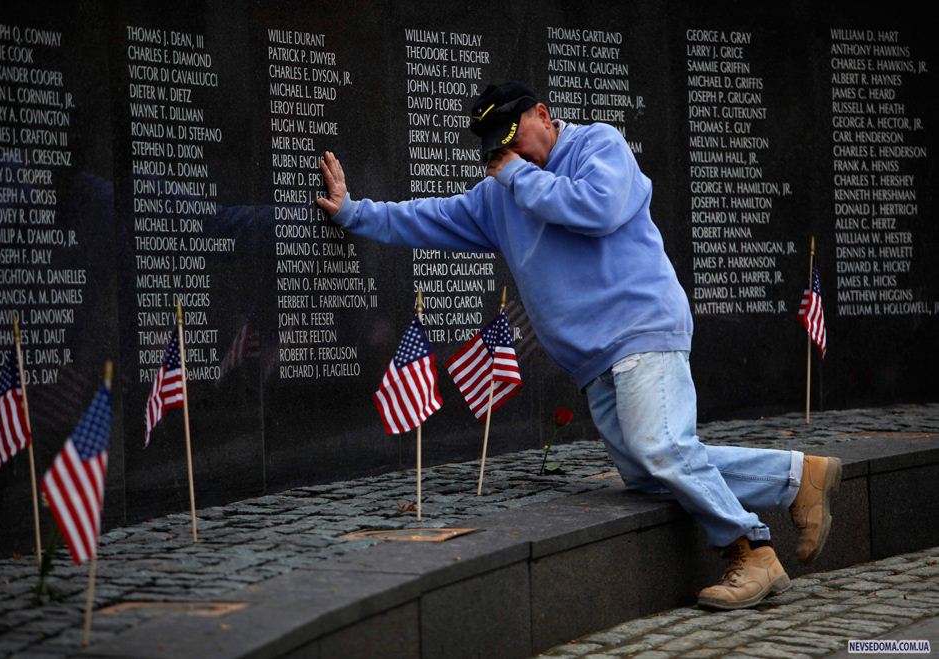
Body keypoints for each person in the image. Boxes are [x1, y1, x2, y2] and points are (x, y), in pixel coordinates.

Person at [315, 81, 841, 610]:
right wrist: (353, 212)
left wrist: (518, 176)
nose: (510, 154)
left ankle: (749, 549)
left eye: (514, 138)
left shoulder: (598, 145)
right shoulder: (501, 195)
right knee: (646, 472)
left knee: (661, 449)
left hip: (641, 328)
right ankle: (798, 478)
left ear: (543, 114)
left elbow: (599, 209)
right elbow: (431, 217)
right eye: (499, 148)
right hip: (594, 360)